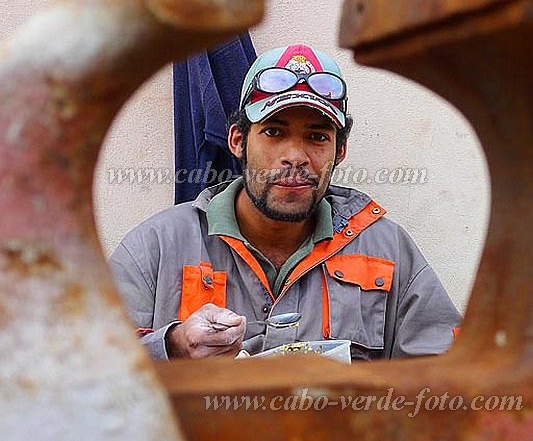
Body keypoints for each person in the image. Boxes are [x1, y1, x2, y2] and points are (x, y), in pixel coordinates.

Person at [109, 43, 461, 362]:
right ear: (237, 140)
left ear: (339, 151)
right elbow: (81, 374)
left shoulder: (387, 250)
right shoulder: (155, 247)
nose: (295, 156)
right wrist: (171, 346)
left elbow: (447, 377)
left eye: (317, 136)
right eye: (274, 132)